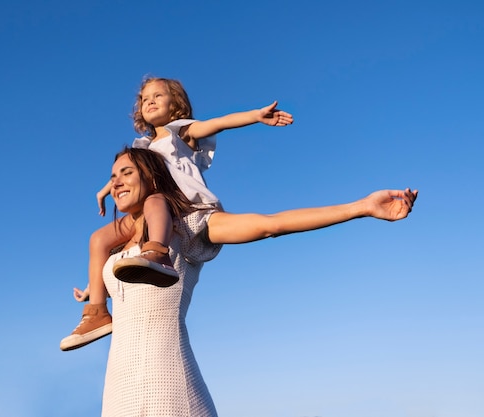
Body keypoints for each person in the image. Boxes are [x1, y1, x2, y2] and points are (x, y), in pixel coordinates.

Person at [100, 147, 418, 416]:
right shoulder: (117, 248)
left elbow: (270, 225)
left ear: (152, 177)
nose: (116, 183)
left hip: (169, 387)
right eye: (113, 177)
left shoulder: (187, 227)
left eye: (126, 173)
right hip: (117, 389)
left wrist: (360, 207)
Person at [60, 77, 294, 351]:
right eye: (145, 99)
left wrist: (254, 116)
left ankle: (159, 254)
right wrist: (93, 285)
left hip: (182, 207)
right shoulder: (142, 148)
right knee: (99, 239)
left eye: (158, 96)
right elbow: (123, 173)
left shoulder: (179, 132)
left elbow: (218, 123)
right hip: (153, 213)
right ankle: (96, 313)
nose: (150, 101)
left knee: (157, 200)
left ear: (176, 105)